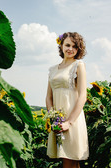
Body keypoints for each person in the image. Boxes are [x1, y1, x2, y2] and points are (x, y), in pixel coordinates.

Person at [46, 32, 89, 168]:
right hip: (58, 119)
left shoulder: (78, 65)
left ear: (78, 49)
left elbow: (83, 95)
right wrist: (53, 118)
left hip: (73, 118)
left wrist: (69, 122)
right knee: (66, 159)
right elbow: (48, 97)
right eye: (68, 45)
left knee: (72, 158)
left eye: (75, 46)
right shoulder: (52, 69)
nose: (70, 49)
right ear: (61, 46)